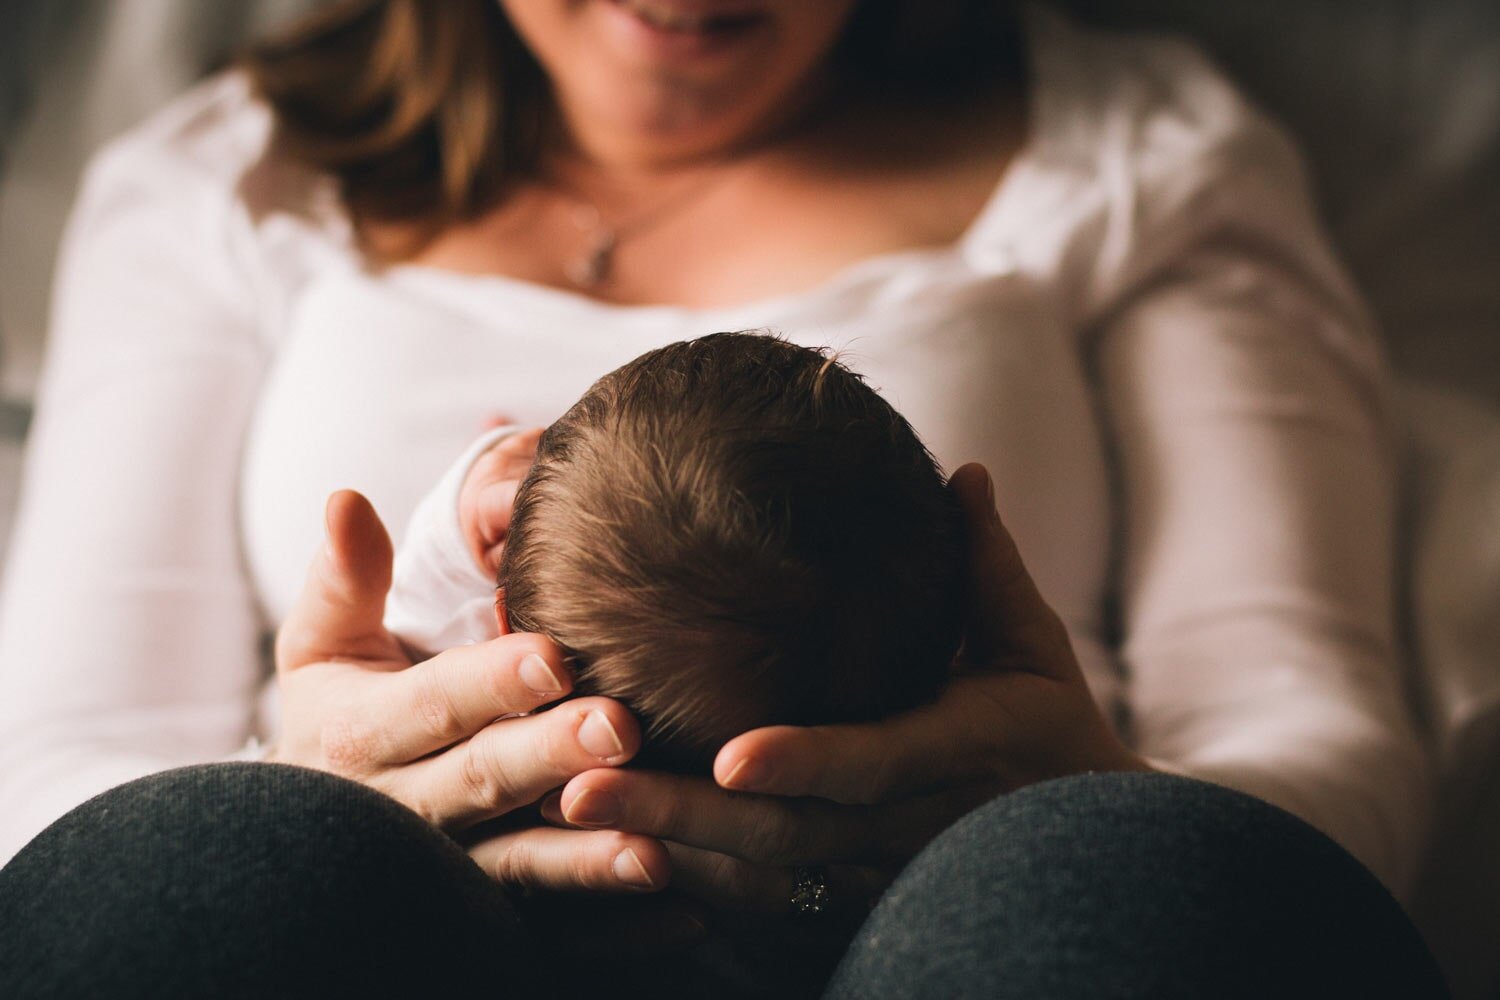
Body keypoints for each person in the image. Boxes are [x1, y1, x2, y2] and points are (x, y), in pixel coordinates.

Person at [0, 0, 1448, 997]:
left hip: (990, 923)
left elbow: (1316, 730)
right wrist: (322, 788)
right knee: (212, 875)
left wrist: (1087, 805)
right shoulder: (222, 184)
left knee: (1142, 892)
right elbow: (53, 783)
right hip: (373, 930)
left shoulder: (1141, 162)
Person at [386, 330, 966, 772]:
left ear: (505, 635)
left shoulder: (467, 744)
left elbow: (415, 619)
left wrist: (464, 501)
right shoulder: (913, 765)